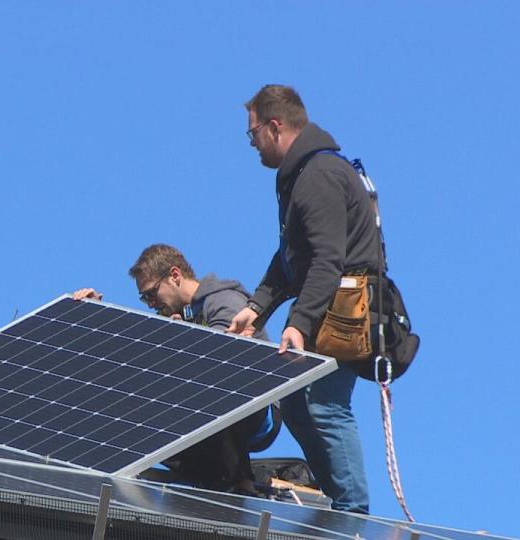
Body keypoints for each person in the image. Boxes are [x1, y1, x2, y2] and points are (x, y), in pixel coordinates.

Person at [226, 84, 379, 514]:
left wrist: (298, 322)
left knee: (325, 406)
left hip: (340, 312)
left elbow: (328, 260)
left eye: (252, 133)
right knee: (296, 403)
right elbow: (291, 255)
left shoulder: (318, 175)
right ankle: (342, 503)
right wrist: (256, 308)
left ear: (275, 127)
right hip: (322, 308)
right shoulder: (299, 176)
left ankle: (353, 513)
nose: (252, 144)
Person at [74, 243, 280, 495]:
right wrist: (98, 319)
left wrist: (185, 340)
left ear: (174, 276)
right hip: (205, 409)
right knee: (141, 403)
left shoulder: (222, 300)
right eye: (144, 298)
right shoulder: (172, 315)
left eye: (151, 294)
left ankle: (239, 483)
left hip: (255, 408)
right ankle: (211, 479)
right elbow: (135, 364)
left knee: (209, 387)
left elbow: (226, 358)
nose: (150, 304)